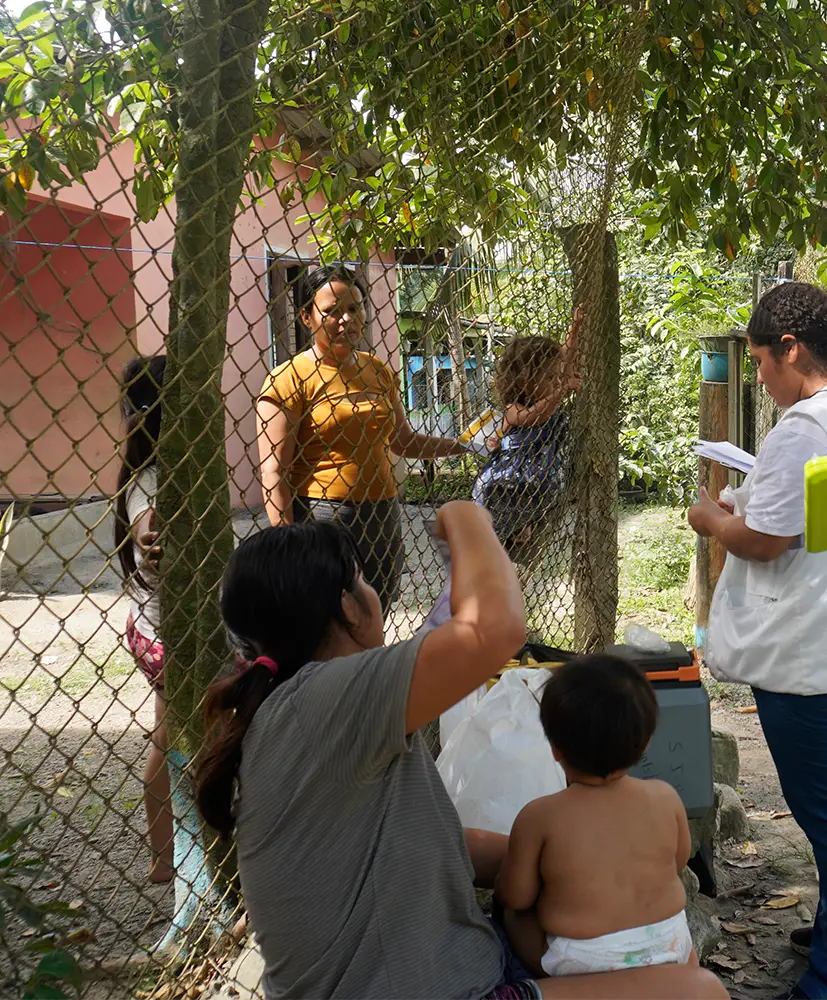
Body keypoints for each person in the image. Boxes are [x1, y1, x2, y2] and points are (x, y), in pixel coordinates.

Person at [191, 505, 723, 1000]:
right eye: (362, 580)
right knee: (700, 991)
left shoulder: (299, 709)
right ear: (349, 608)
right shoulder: (330, 697)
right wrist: (466, 516)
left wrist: (567, 849)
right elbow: (495, 629)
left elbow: (419, 841)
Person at [685, 282, 827, 1000]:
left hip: (809, 654)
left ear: (789, 350)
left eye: (762, 361)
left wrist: (712, 518)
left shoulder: (803, 426)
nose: (761, 378)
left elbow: (767, 540)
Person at [256, 263, 482, 611]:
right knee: (330, 619)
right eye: (331, 312)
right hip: (322, 518)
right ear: (306, 317)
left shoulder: (377, 370)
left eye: (354, 308)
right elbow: (274, 471)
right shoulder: (289, 378)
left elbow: (402, 442)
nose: (346, 319)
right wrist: (286, 543)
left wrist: (463, 444)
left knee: (377, 613)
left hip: (383, 517)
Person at [498, 654, 694, 977]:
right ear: (645, 744)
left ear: (555, 748)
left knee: (514, 916)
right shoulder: (666, 797)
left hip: (583, 961)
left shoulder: (539, 816)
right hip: (669, 946)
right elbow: (678, 861)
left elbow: (516, 895)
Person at [113, 355, 172, 885]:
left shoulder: (157, 471)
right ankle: (162, 855)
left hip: (156, 627)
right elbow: (147, 529)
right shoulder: (152, 478)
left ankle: (170, 850)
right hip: (164, 637)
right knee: (170, 741)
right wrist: (151, 542)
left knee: (173, 734)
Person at [461, 321, 583, 566]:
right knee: (493, 501)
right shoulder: (513, 408)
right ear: (524, 380)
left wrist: (576, 328)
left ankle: (521, 526)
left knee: (540, 500)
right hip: (511, 478)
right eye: (549, 377)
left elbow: (566, 359)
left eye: (556, 377)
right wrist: (561, 391)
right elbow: (534, 417)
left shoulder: (549, 397)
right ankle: (495, 538)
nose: (556, 381)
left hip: (541, 478)